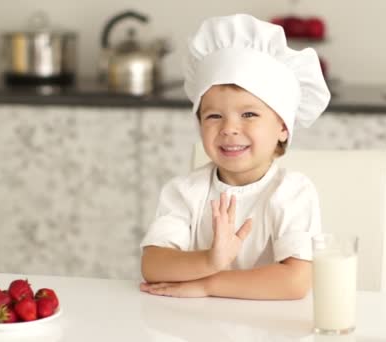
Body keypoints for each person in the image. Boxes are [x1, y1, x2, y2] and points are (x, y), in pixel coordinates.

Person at [139, 13, 330, 300]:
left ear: (282, 127)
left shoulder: (292, 192)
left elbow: (295, 281)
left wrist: (208, 283)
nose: (228, 129)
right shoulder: (184, 192)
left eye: (249, 114)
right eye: (214, 115)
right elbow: (153, 265)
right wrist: (211, 260)